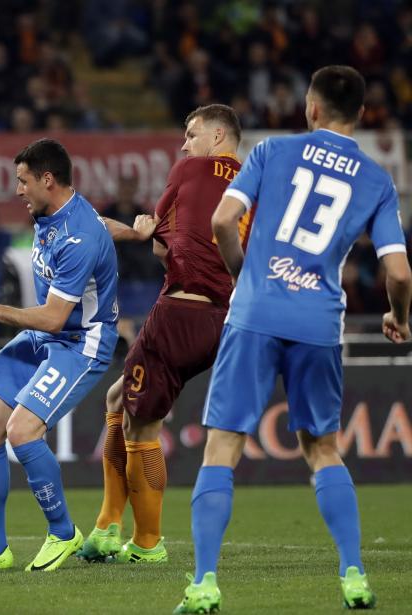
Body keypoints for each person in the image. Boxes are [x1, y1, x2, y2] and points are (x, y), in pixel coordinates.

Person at [174, 66, 412, 613]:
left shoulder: (270, 153)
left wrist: (244, 277)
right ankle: (353, 574)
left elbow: (222, 220)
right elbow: (398, 274)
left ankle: (206, 582)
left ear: (310, 107)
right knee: (323, 448)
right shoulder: (376, 180)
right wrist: (400, 317)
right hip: (319, 323)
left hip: (255, 312)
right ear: (361, 114)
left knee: (224, 444)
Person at [83, 104, 252, 565]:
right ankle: (106, 525)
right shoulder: (254, 182)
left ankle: (147, 541)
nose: (184, 143)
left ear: (218, 136)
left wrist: (139, 228)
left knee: (143, 424)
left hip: (179, 311)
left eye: (191, 133)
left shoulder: (190, 169)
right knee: (120, 399)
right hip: (226, 319)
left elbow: (157, 241)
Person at [0, 138, 118, 572]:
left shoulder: (77, 235)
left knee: (22, 431)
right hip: (45, 339)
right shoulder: (53, 212)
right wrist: (135, 230)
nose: (17, 190)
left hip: (80, 342)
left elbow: (56, 317)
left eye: (22, 181)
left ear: (47, 179)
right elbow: (101, 225)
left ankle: (63, 533)